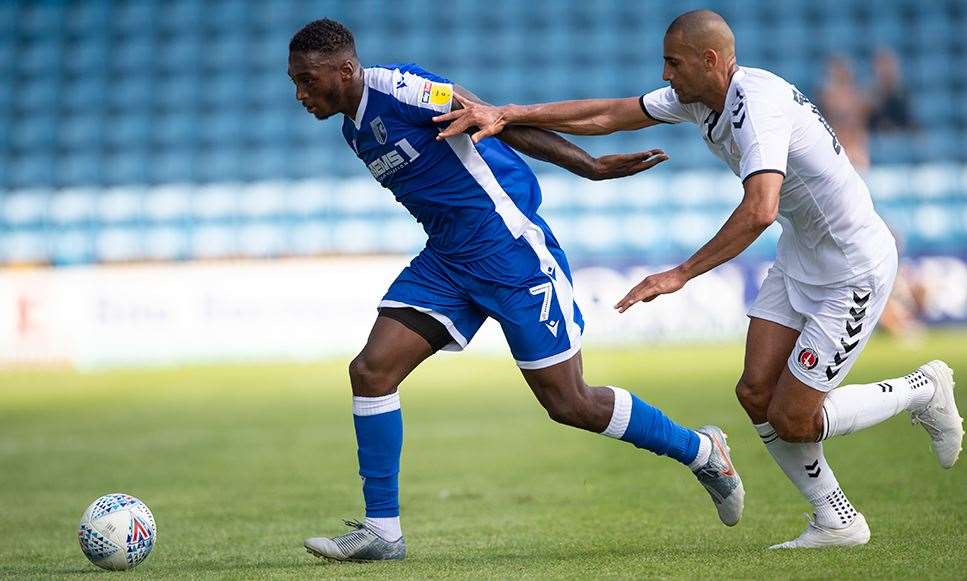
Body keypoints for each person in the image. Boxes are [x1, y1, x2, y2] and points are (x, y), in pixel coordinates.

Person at [436, 9, 962, 549]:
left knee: (793, 418)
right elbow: (612, 113)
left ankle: (921, 390)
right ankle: (837, 520)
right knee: (755, 391)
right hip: (802, 253)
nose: (665, 74)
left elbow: (759, 210)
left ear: (710, 60)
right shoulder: (701, 98)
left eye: (673, 63)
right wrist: (510, 113)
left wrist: (680, 274)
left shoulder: (758, 107)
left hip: (853, 268)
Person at [287, 18, 745, 562]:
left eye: (307, 79)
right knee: (371, 371)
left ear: (345, 69)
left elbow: (494, 120)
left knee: (570, 403)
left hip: (510, 251)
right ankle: (382, 531)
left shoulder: (400, 89)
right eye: (294, 81)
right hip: (448, 260)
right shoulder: (354, 128)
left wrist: (590, 166)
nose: (300, 93)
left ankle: (701, 451)